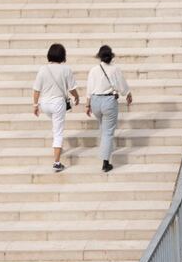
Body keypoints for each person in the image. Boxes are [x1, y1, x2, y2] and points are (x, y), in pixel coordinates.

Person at [31, 41, 81, 173]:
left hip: (45, 104)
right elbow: (72, 88)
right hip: (58, 103)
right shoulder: (66, 69)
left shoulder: (43, 69)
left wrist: (35, 105)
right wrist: (77, 96)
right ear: (62, 56)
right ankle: (57, 162)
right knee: (58, 132)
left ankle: (57, 147)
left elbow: (36, 89)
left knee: (55, 127)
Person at [85, 43, 133, 173]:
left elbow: (89, 88)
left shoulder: (93, 70)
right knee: (108, 132)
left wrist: (87, 104)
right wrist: (127, 94)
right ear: (111, 56)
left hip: (95, 101)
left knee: (103, 127)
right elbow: (122, 85)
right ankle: (105, 162)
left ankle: (107, 148)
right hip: (108, 101)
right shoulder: (114, 69)